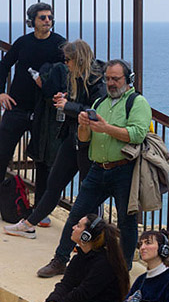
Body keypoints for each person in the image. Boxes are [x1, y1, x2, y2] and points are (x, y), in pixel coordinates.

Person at [36, 60, 152, 278]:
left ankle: (122, 269)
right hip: (98, 169)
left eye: (116, 79)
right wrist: (83, 126)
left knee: (126, 223)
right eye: (108, 78)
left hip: (124, 170)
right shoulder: (100, 102)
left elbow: (137, 134)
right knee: (76, 216)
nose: (111, 83)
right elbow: (84, 140)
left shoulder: (138, 103)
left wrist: (105, 128)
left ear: (129, 80)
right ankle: (60, 260)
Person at [5, 40, 105, 239]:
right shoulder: (75, 76)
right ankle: (30, 223)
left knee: (88, 190)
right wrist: (65, 98)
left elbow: (96, 113)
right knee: (54, 182)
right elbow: (79, 104)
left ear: (79, 59)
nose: (65, 63)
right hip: (72, 136)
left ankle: (92, 235)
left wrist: (68, 105)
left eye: (68, 59)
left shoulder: (97, 80)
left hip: (90, 142)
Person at [0, 2, 66, 206]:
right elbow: (4, 65)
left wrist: (63, 94)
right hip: (16, 107)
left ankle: (40, 209)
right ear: (32, 21)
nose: (48, 21)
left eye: (50, 17)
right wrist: (1, 93)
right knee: (2, 153)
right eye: (43, 18)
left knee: (43, 161)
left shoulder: (59, 44)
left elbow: (68, 71)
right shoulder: (23, 43)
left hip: (44, 111)